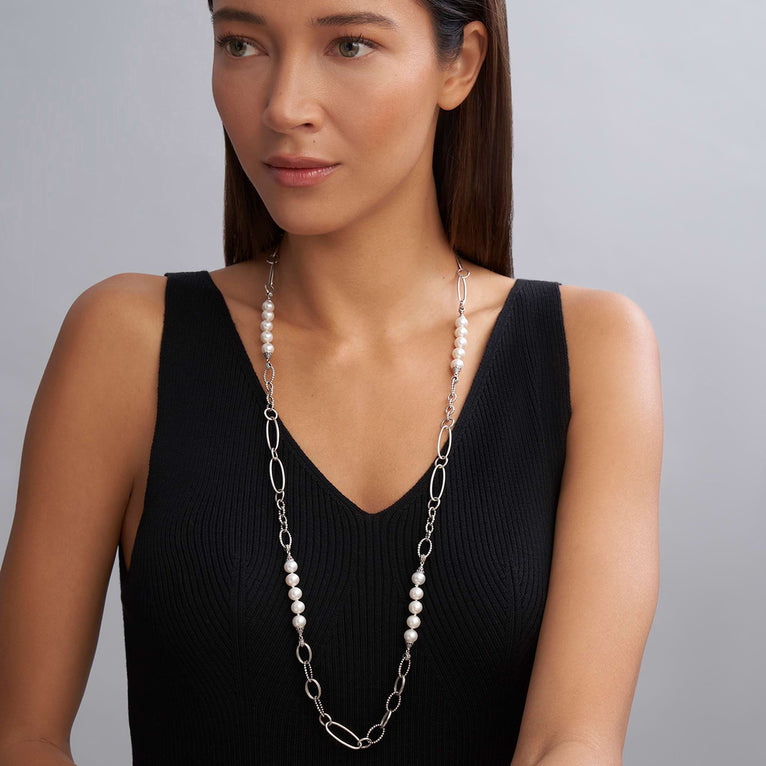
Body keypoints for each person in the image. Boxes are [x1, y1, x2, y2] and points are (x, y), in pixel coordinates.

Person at [0, 1, 663, 764]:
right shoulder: (126, 341)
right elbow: (24, 738)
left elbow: (570, 744)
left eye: (349, 44)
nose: (283, 106)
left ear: (461, 64)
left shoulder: (591, 352)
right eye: (242, 44)